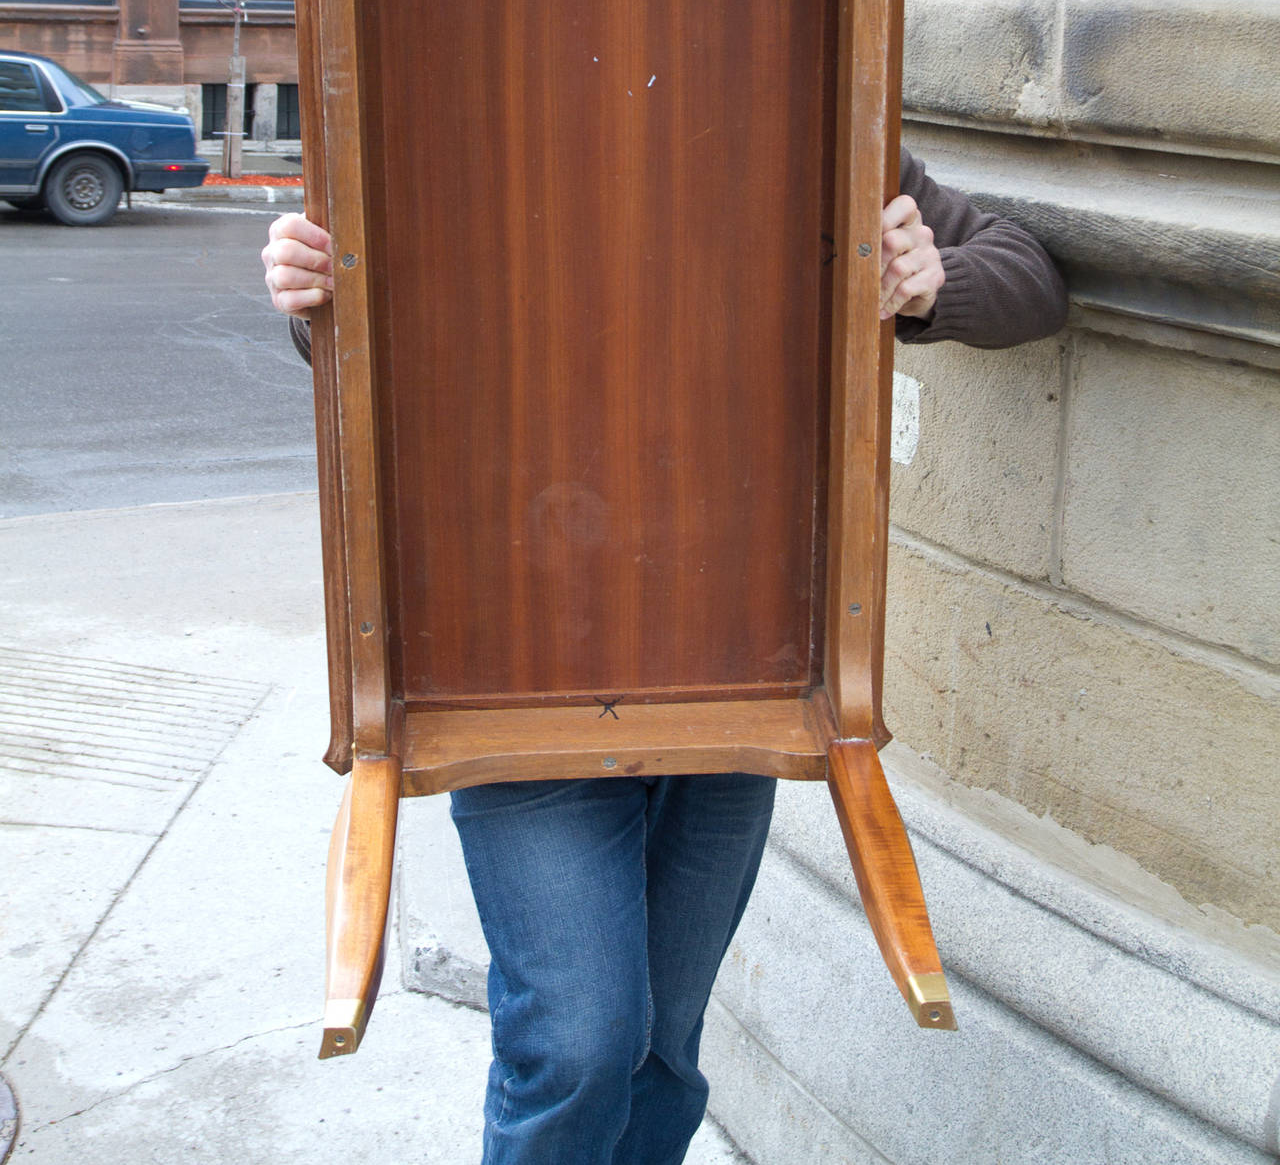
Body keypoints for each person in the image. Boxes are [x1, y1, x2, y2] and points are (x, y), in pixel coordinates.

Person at [263, 151, 1065, 1164]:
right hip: (511, 666)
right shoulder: (455, 60)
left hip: (733, 663)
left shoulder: (805, 93)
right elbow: (361, 299)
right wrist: (311, 295)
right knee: (575, 1045)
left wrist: (927, 279)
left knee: (662, 1049)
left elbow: (1028, 272)